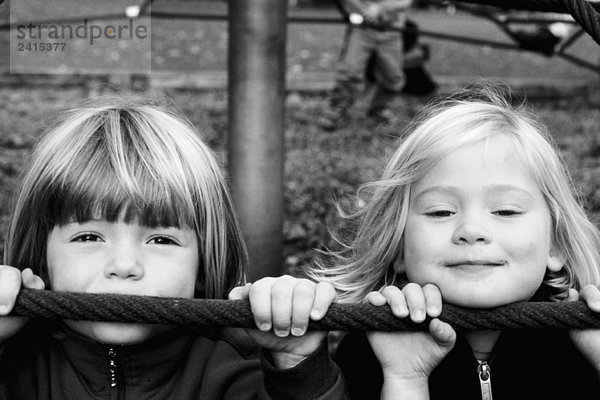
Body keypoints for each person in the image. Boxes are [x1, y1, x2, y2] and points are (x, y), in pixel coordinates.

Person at [0, 95, 347, 399]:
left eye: (161, 239)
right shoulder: (13, 366)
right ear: (40, 255)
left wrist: (300, 368)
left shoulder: (241, 373)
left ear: (204, 261)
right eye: (88, 237)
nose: (124, 265)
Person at [309, 82, 600, 399]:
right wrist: (405, 381)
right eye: (440, 212)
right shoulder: (377, 344)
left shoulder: (585, 343)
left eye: (505, 210)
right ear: (398, 244)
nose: (471, 229)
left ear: (555, 244)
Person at [318, 0, 413, 131]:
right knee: (349, 71)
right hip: (362, 29)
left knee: (393, 77)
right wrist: (365, 10)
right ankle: (337, 108)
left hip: (392, 30)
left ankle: (379, 108)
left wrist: (380, 8)